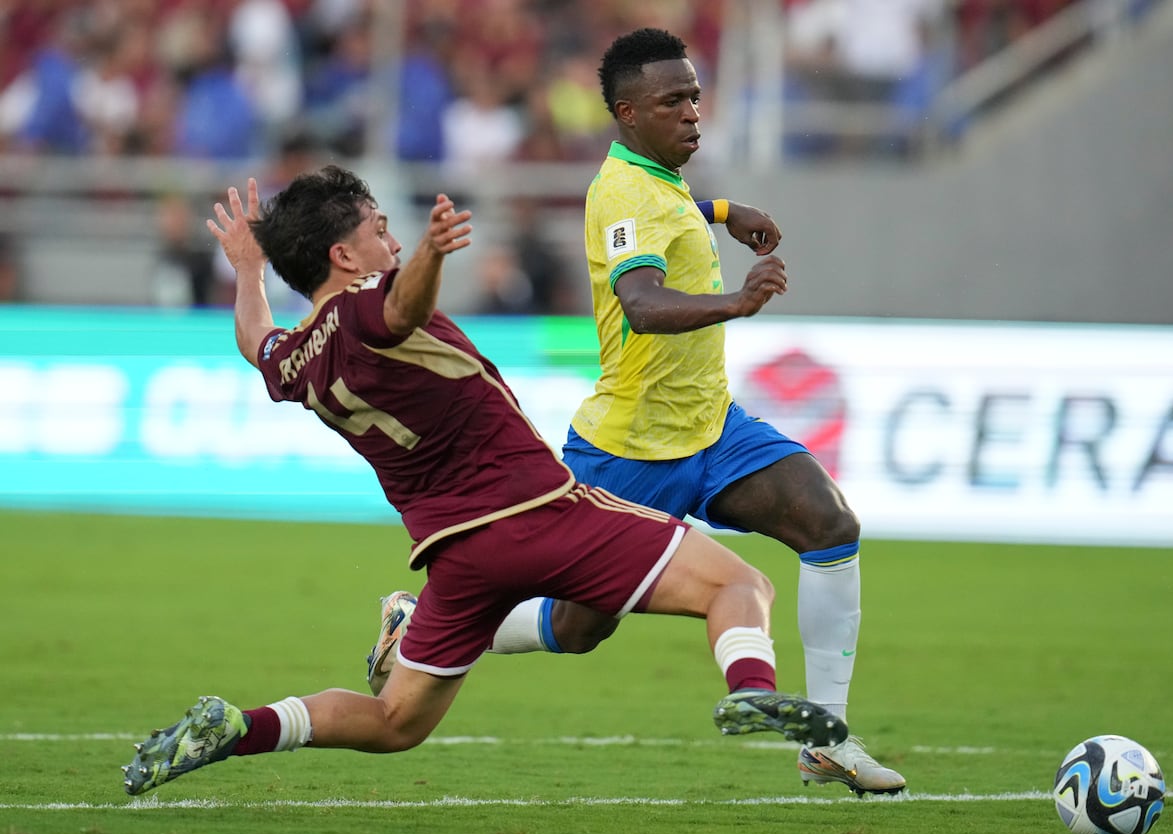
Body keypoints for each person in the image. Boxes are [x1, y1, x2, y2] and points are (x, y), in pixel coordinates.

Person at [120, 165, 846, 796]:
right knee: (739, 586)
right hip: (542, 511)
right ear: (345, 254)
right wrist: (430, 256)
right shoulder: (371, 305)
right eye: (379, 229)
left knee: (396, 721)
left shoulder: (297, 359)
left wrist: (247, 267)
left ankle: (242, 725)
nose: (393, 240)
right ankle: (752, 693)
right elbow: (400, 308)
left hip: (455, 555)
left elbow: (255, 341)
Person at [440, 27, 907, 797]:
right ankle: (426, 621)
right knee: (579, 628)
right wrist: (738, 299)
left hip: (713, 429)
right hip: (628, 451)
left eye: (694, 95)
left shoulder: (651, 179)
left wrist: (724, 208)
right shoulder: (620, 192)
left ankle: (828, 737)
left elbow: (670, 207)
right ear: (628, 113)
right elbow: (642, 302)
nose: (693, 112)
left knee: (830, 525)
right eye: (673, 101)